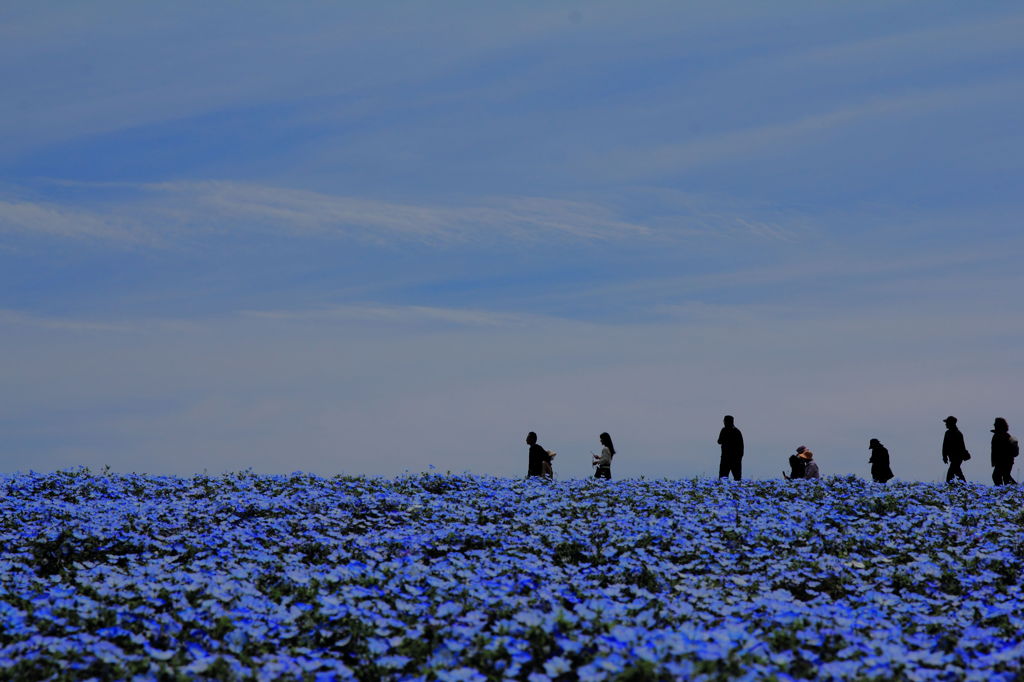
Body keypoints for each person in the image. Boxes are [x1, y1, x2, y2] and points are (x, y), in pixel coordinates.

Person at [991, 417, 1019, 486]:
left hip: (1004, 461)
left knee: (998, 476)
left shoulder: (1003, 436)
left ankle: (1002, 490)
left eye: (996, 423)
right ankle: (1009, 489)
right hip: (1003, 461)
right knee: (1005, 477)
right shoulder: (1000, 435)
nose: (994, 424)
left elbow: (1003, 450)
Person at [942, 416, 969, 483]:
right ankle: (965, 487)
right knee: (958, 473)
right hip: (952, 458)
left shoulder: (958, 434)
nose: (945, 424)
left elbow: (962, 447)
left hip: (957, 458)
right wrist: (944, 456)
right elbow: (945, 446)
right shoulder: (947, 433)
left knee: (950, 476)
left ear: (951, 423)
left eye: (947, 423)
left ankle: (961, 487)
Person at [717, 415, 744, 481]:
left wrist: (739, 457)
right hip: (727, 458)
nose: (724, 423)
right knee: (723, 478)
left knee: (736, 478)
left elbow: (741, 446)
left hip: (733, 459)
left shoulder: (735, 432)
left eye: (725, 421)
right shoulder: (726, 430)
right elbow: (719, 441)